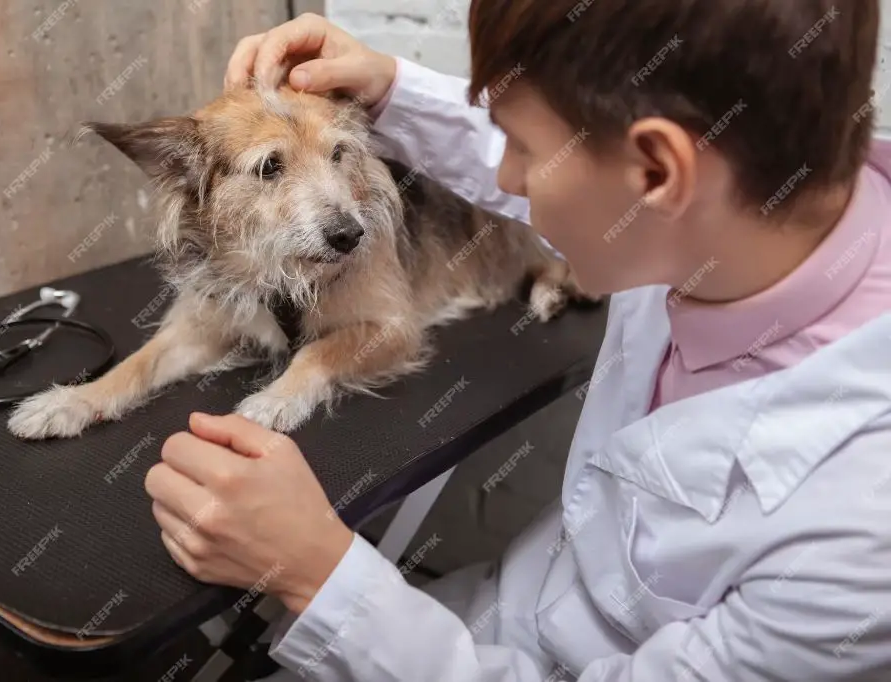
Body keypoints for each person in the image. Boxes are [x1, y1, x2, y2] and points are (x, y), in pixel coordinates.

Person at [142, 1, 891, 679]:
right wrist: (388, 86)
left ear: (659, 172)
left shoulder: (854, 541)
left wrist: (319, 576)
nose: (501, 174)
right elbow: (580, 164)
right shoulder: (751, 211)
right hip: (505, 607)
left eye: (521, 147)